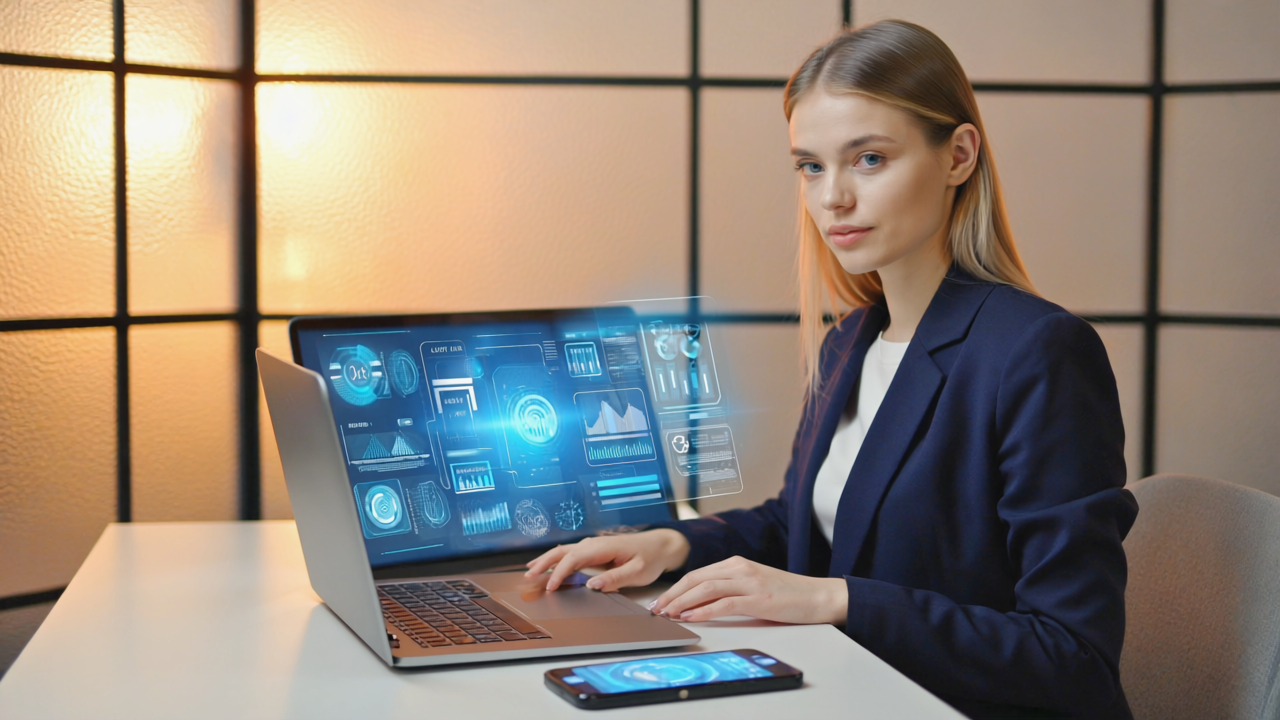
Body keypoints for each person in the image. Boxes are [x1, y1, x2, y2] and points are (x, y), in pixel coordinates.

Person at [526, 20, 1137, 720]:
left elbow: (1073, 659)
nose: (832, 198)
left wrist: (834, 599)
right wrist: (671, 543)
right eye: (811, 166)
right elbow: (803, 524)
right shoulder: (851, 339)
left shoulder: (1039, 352)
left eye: (869, 159)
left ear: (959, 155)